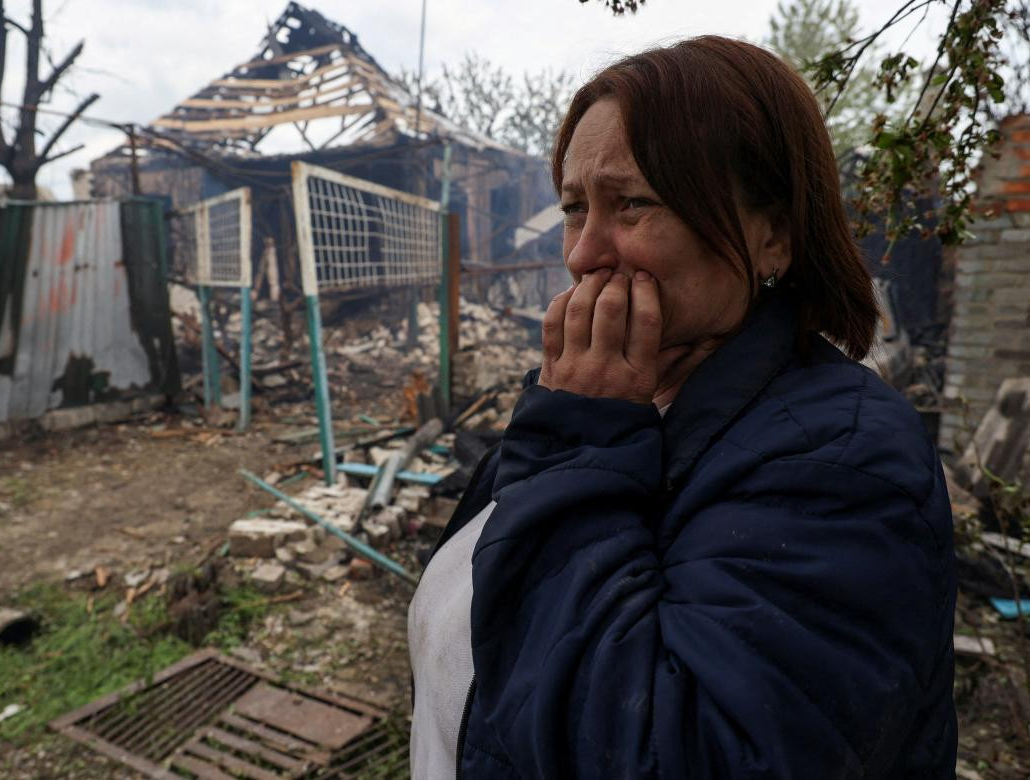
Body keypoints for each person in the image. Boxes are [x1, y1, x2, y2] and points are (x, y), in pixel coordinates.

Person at [407, 35, 956, 779]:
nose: (583, 253)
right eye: (574, 208)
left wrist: (581, 440)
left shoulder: (843, 461)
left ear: (774, 236)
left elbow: (671, 754)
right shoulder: (603, 398)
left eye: (632, 203)